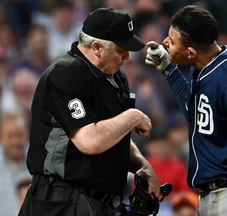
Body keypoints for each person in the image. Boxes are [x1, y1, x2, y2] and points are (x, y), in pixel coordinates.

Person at [18, 7, 160, 216]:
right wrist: (133, 116)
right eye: (121, 50)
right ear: (96, 47)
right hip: (60, 200)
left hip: (99, 202)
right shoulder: (65, 74)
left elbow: (113, 133)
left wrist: (142, 165)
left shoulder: (116, 77)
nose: (127, 57)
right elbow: (89, 140)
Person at [145, 5, 227, 216]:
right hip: (215, 195)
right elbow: (194, 112)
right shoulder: (204, 67)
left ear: (190, 52)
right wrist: (169, 70)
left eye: (172, 39)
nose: (165, 42)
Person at [0, 110, 30, 216]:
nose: (15, 141)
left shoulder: (38, 170)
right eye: (10, 136)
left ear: (27, 136)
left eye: (19, 135)